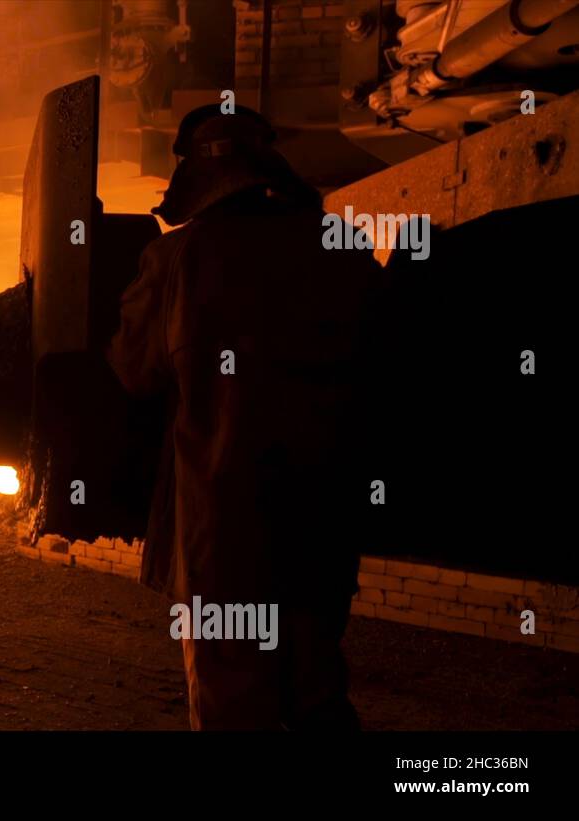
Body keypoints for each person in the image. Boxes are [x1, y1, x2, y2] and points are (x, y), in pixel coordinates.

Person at [106, 103, 386, 730]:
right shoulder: (341, 251)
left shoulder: (178, 260)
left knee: (233, 703)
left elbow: (132, 369)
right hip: (321, 526)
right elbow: (385, 363)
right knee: (315, 696)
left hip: (223, 537)